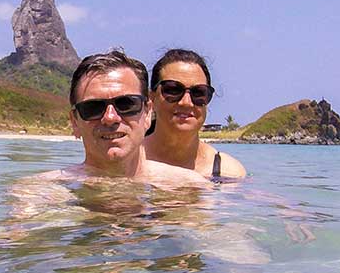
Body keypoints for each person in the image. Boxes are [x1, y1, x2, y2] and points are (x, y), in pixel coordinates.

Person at [32, 49, 209, 187]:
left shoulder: (191, 188)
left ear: (147, 113)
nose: (110, 118)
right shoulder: (40, 194)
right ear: (75, 122)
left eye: (126, 104)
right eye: (93, 108)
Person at [143, 49, 247, 180]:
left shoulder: (228, 172)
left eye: (198, 93)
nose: (186, 102)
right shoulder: (126, 160)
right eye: (173, 90)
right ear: (151, 98)